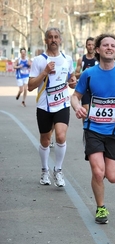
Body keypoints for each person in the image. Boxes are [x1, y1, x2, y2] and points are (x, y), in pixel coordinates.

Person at [71, 33, 115, 224]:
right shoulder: (88, 74)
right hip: (93, 129)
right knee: (98, 172)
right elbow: (75, 96)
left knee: (113, 177)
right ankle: (101, 208)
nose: (110, 48)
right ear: (98, 49)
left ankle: (99, 175)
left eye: (113, 45)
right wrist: (77, 108)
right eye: (105, 45)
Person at [28, 27, 77, 187]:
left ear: (60, 40)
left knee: (61, 137)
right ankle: (44, 171)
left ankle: (58, 170)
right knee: (45, 140)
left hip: (62, 104)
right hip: (44, 107)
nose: (54, 40)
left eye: (56, 37)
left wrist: (73, 81)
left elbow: (71, 78)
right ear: (46, 40)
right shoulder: (39, 61)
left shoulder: (67, 59)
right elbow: (30, 86)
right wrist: (45, 72)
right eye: (50, 37)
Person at [74, 37, 97, 118]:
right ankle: (86, 129)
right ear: (86, 46)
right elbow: (75, 75)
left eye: (92, 45)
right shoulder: (81, 60)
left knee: (95, 110)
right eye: (89, 45)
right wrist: (84, 73)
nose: (91, 46)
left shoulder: (99, 59)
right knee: (85, 110)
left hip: (96, 88)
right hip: (86, 89)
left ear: (95, 46)